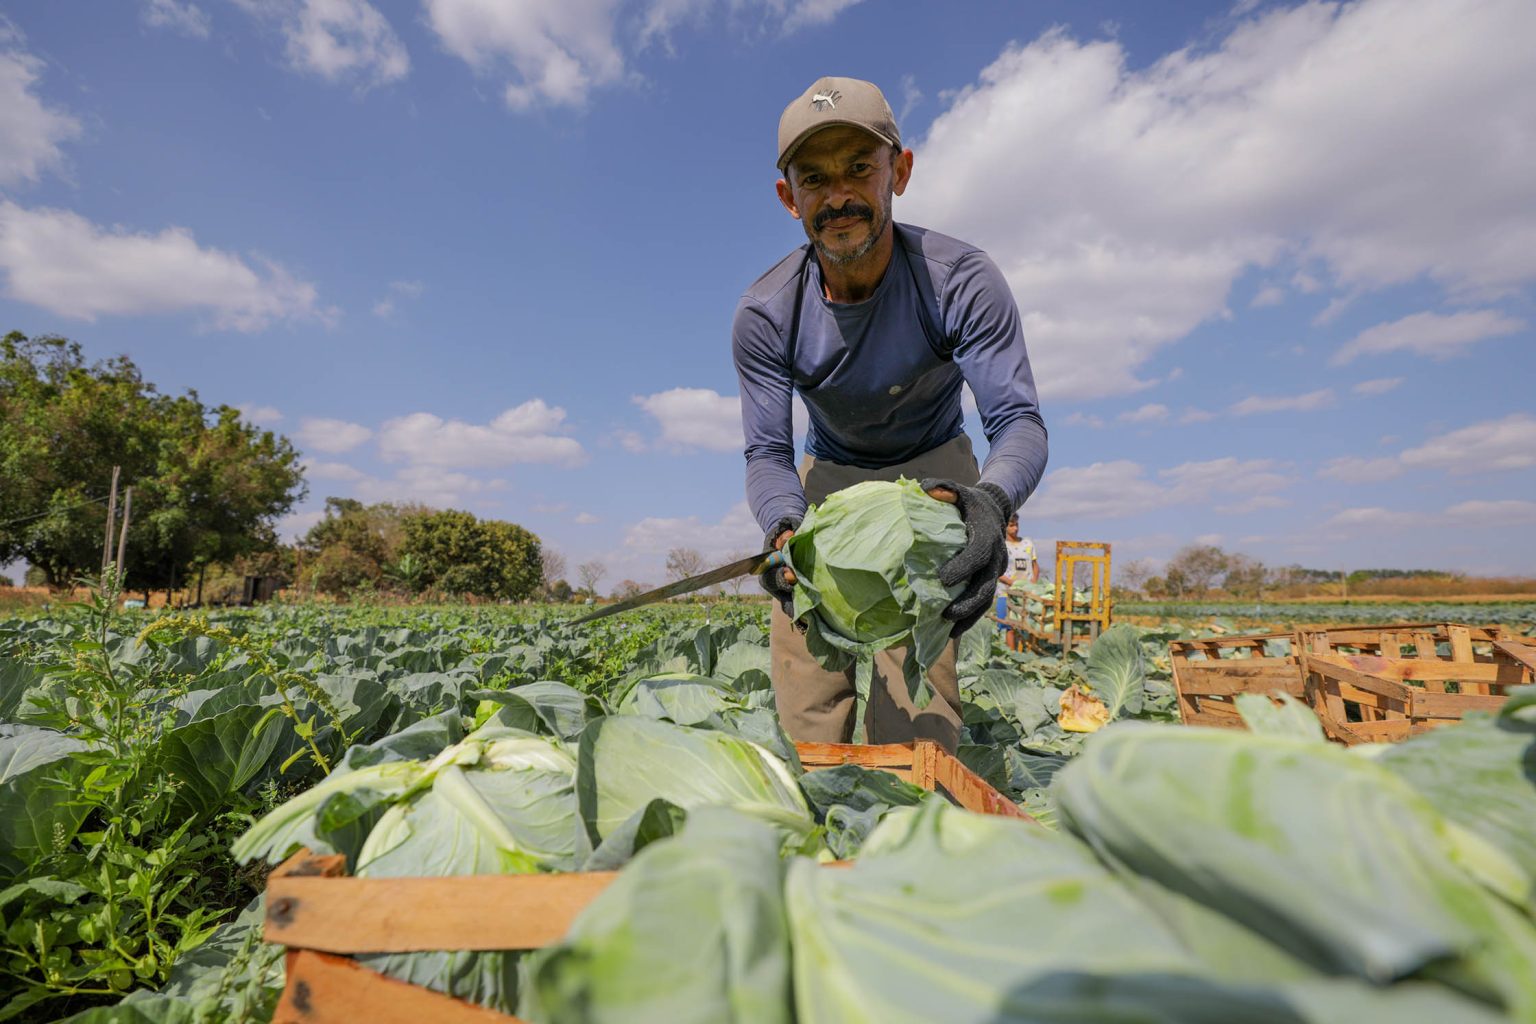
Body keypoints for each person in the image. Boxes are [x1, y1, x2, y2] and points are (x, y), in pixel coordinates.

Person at [732, 76, 1048, 751]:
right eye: (814, 179)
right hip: (833, 478)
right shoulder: (766, 313)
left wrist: (989, 501)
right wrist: (784, 527)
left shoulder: (958, 280)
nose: (838, 195)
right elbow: (766, 454)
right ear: (790, 198)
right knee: (807, 669)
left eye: (859, 168)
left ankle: (914, 827)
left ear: (898, 173)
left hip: (933, 474)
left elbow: (1018, 422)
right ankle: (826, 823)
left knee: (917, 694)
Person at [995, 514, 1039, 629]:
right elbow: (996, 571)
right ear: (1004, 527)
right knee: (1009, 626)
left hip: (1027, 594)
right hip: (1006, 592)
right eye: (1011, 525)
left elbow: (1035, 565)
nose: (1016, 528)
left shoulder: (1027, 543)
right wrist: (1013, 583)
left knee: (1027, 626)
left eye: (1017, 525)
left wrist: (1033, 583)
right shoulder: (1001, 546)